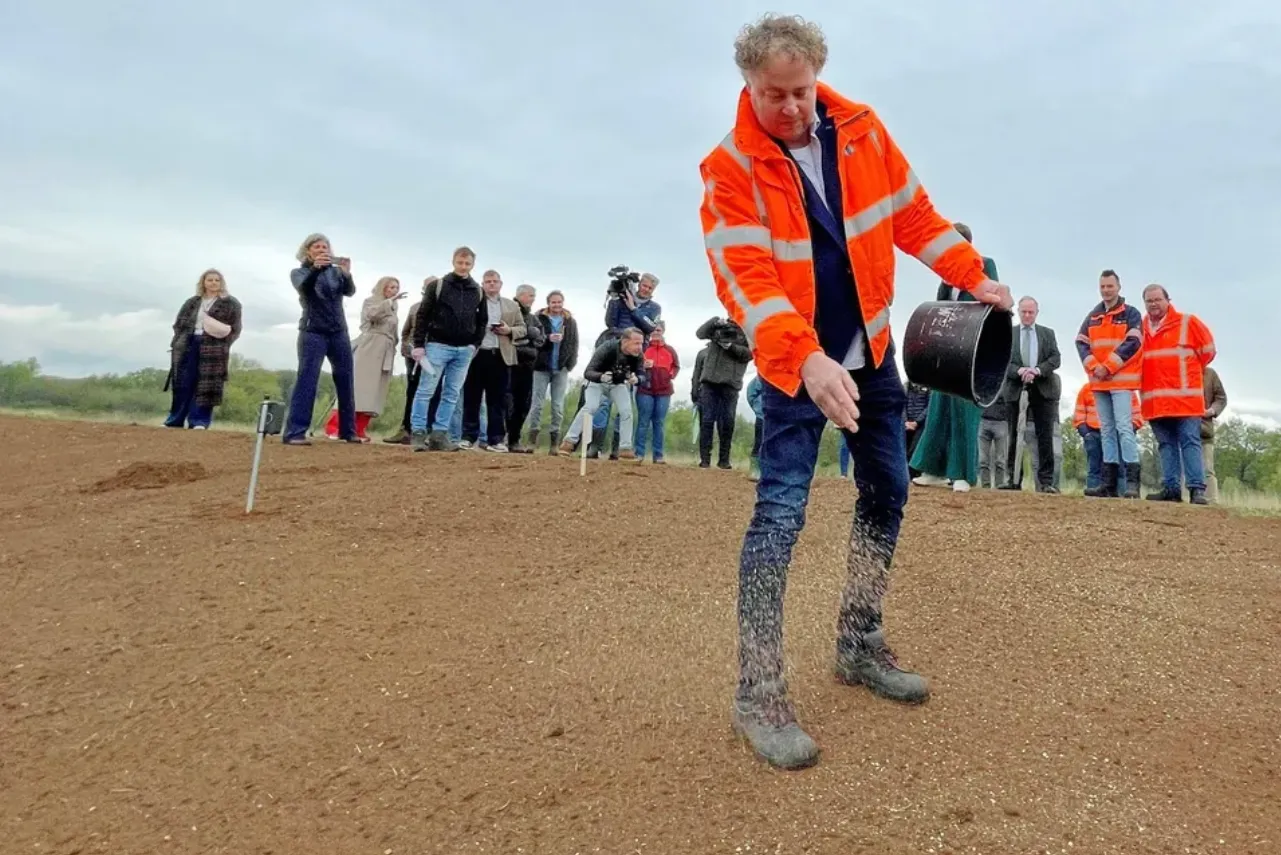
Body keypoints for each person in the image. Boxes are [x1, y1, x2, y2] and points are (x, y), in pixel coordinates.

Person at [698, 14, 1012, 770]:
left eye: (801, 91)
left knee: (889, 489)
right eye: (774, 95)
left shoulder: (862, 130)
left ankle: (859, 640)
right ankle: (759, 689)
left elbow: (914, 217)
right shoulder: (729, 167)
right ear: (747, 85)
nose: (791, 109)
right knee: (779, 511)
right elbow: (748, 281)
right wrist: (804, 358)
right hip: (793, 366)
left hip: (869, 355)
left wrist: (976, 278)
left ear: (817, 76)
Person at [908, 223, 1000, 492]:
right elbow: (939, 310)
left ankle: (963, 475)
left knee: (964, 412)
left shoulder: (986, 265)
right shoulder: (945, 276)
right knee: (938, 409)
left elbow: (992, 305)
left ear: (968, 244)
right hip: (947, 354)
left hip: (974, 353)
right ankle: (932, 470)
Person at [1139, 284, 1216, 504]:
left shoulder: (1188, 322)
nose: (1153, 304)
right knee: (1165, 444)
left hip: (1185, 399)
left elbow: (1208, 352)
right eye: (1149, 301)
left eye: (1157, 300)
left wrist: (1188, 373)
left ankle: (1196, 490)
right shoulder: (1140, 327)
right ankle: (1171, 489)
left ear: (1167, 300)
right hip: (1155, 400)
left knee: (1190, 441)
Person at [282, 233, 358, 446]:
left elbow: (350, 292)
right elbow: (305, 288)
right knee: (307, 379)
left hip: (338, 331)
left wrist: (347, 274)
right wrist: (315, 269)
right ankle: (295, 432)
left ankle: (348, 431)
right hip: (312, 331)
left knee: (345, 380)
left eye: (325, 246)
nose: (322, 250)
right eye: (317, 247)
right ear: (308, 251)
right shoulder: (299, 272)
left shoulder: (335, 273)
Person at [409, 246, 486, 452]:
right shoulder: (438, 286)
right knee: (426, 390)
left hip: (463, 350)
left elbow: (482, 321)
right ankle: (417, 433)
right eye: (460, 262)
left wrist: (474, 345)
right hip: (437, 346)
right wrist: (418, 345)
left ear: (472, 265)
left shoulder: (478, 291)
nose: (463, 267)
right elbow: (423, 315)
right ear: (453, 262)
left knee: (451, 393)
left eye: (467, 263)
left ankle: (439, 434)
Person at [1076, 269, 1143, 497]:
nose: (1106, 290)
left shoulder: (1131, 313)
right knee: (1106, 430)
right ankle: (1109, 484)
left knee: (1124, 428)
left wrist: (1109, 366)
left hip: (1121, 381)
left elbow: (1133, 341)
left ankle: (1132, 483)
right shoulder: (1093, 316)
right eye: (1103, 286)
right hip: (1099, 381)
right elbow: (1081, 342)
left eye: (1110, 286)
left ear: (1119, 287)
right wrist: (1095, 367)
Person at [324, 276, 404, 442]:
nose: (394, 291)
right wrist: (388, 303)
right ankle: (335, 427)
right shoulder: (371, 302)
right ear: (382, 287)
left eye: (396, 288)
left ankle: (359, 429)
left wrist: (395, 346)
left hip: (385, 350)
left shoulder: (394, 307)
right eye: (390, 287)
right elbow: (372, 316)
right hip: (369, 346)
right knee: (357, 388)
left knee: (374, 392)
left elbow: (393, 331)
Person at [163, 268, 243, 430]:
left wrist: (223, 344)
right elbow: (179, 324)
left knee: (207, 385)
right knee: (183, 383)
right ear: (203, 283)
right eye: (210, 280)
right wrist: (179, 340)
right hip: (188, 344)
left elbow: (236, 328)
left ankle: (199, 421)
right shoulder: (192, 302)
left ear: (221, 283)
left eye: (216, 280)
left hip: (214, 347)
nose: (213, 283)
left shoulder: (231, 303)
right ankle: (175, 420)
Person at [460, 270, 524, 452]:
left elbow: (522, 329)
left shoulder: (512, 305)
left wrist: (508, 330)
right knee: (471, 398)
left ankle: (496, 439)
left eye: (495, 281)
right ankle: (468, 436)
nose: (492, 284)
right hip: (477, 354)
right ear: (483, 284)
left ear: (501, 284)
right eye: (488, 281)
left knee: (497, 400)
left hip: (500, 355)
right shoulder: (473, 302)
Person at [1004, 297, 1062, 492]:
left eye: (1031, 312)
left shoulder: (1047, 333)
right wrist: (1019, 371)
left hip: (1043, 388)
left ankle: (1046, 482)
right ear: (1018, 312)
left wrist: (1037, 370)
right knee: (1013, 434)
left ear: (1037, 312)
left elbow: (1055, 359)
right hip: (1015, 388)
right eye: (1024, 312)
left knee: (1044, 436)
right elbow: (1001, 361)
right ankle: (1012, 479)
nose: (1027, 315)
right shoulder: (1008, 333)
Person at [557, 328, 642, 460]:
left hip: (617, 384)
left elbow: (642, 374)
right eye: (636, 343)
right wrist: (601, 376)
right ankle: (568, 442)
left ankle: (625, 448)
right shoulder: (607, 348)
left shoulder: (638, 355)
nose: (639, 347)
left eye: (641, 343)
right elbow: (588, 372)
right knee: (590, 407)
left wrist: (637, 379)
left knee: (627, 412)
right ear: (625, 341)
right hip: (597, 382)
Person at [694, 316, 753, 469]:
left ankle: (724, 460)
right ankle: (705, 459)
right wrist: (714, 321)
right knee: (706, 421)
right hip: (709, 381)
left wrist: (730, 347)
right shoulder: (718, 327)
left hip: (731, 383)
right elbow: (700, 333)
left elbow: (750, 354)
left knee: (727, 422)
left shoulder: (748, 332)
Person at [385, 276, 437, 445]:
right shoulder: (415, 307)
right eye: (427, 287)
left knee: (432, 393)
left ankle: (427, 431)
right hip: (414, 356)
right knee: (412, 392)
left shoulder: (444, 308)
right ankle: (406, 429)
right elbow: (406, 331)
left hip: (435, 355)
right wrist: (406, 348)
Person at [526, 290, 579, 454]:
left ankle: (554, 443)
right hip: (541, 367)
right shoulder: (538, 319)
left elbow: (574, 343)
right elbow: (533, 339)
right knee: (537, 404)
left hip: (561, 368)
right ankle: (531, 441)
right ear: (548, 303)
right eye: (553, 302)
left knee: (557, 406)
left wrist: (570, 364)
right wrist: (548, 338)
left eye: (559, 302)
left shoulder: (570, 322)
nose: (556, 305)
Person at [505, 284, 546, 453]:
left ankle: (514, 439)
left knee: (524, 403)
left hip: (528, 364)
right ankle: (500, 437)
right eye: (530, 295)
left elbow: (541, 339)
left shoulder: (533, 317)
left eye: (533, 296)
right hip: (510, 361)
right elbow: (507, 333)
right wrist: (528, 333)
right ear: (520, 295)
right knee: (507, 401)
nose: (532, 299)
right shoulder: (509, 310)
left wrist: (530, 337)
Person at [634, 326, 680, 463]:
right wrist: (643, 367)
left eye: (658, 330)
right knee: (643, 422)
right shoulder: (643, 348)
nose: (655, 333)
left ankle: (658, 455)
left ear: (663, 331)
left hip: (664, 391)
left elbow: (676, 366)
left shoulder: (670, 350)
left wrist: (669, 376)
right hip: (645, 389)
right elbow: (634, 364)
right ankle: (639, 454)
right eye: (653, 330)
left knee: (659, 423)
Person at [1200, 366, 1227, 503]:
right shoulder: (1178, 369)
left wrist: (1211, 411)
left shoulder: (1209, 373)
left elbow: (1221, 398)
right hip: (1180, 429)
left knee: (1207, 469)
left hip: (1204, 429)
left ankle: (1211, 501)